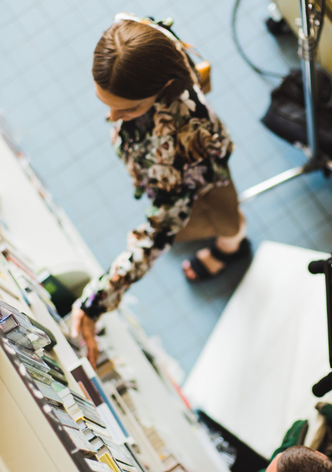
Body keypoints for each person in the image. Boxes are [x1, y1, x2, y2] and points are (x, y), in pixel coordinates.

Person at [69, 18, 250, 366]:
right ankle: (230, 236)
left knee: (223, 216)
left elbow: (160, 231)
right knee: (193, 218)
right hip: (176, 174)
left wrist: (97, 300)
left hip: (201, 179)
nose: (112, 117)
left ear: (164, 86)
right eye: (106, 102)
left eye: (128, 108)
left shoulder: (183, 136)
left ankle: (234, 246)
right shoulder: (135, 33)